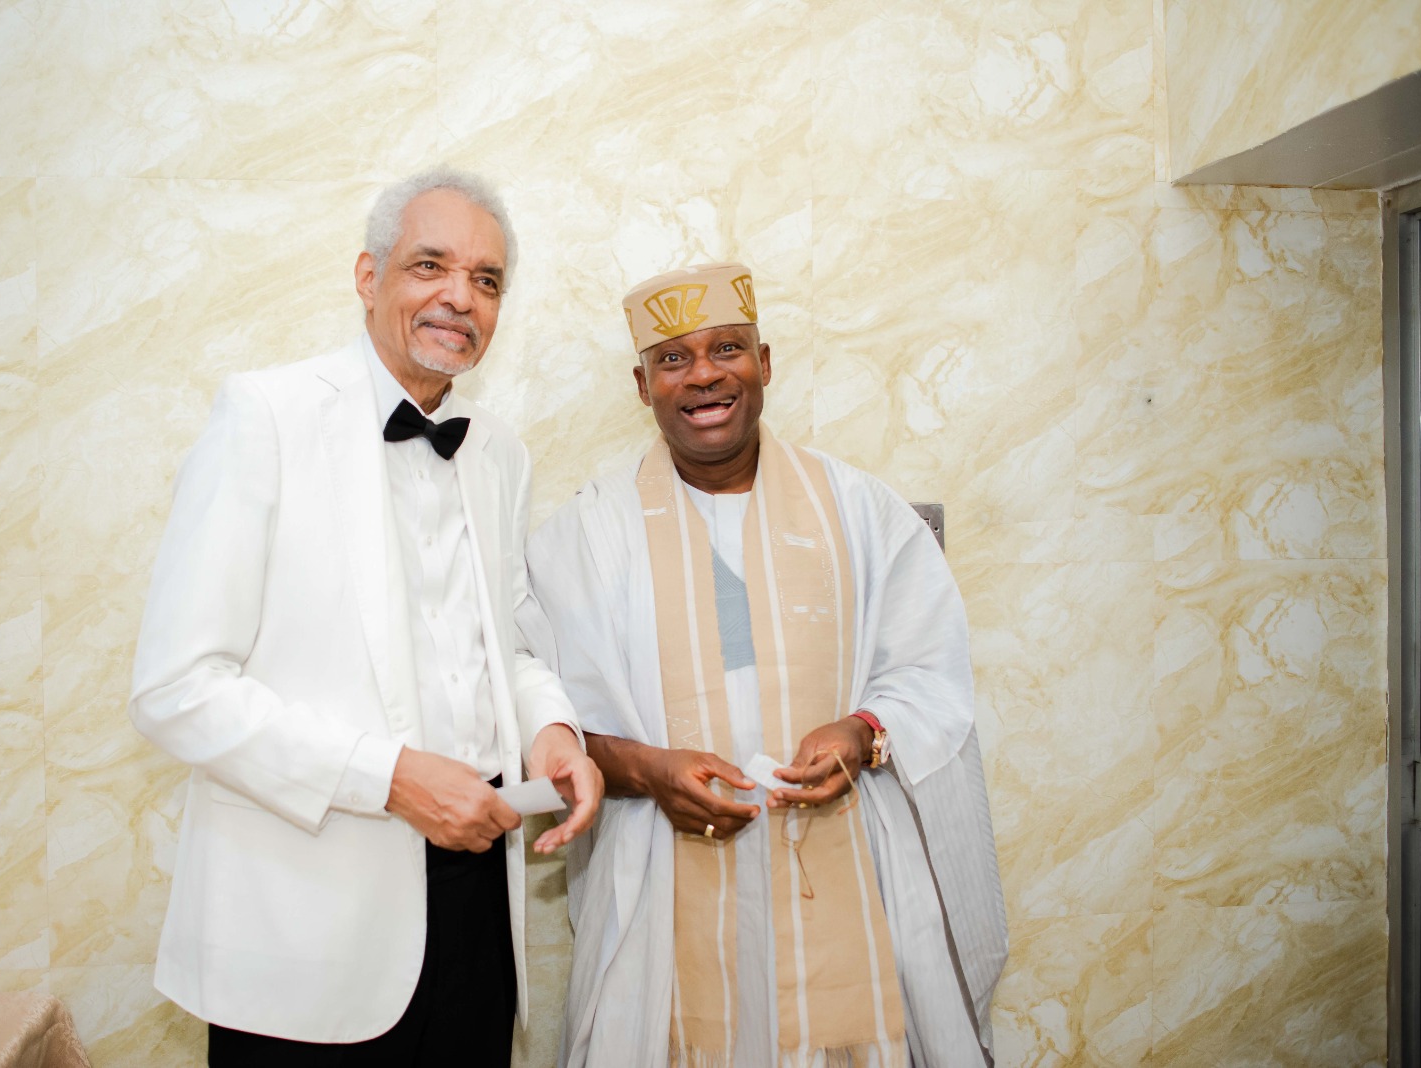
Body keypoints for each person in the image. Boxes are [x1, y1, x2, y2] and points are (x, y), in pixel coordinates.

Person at [128, 167, 602, 1067]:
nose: (459, 297)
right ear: (367, 276)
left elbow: (506, 640)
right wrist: (389, 778)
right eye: (430, 265)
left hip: (478, 909)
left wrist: (552, 731)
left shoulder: (500, 452)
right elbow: (176, 689)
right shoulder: (265, 415)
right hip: (303, 934)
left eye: (487, 279)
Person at [524, 263, 1007, 1067]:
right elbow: (544, 719)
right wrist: (646, 770)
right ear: (642, 386)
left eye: (727, 349)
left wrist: (863, 732)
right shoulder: (586, 537)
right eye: (672, 358)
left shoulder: (860, 510)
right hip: (661, 890)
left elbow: (930, 671)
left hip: (851, 875)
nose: (703, 374)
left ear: (765, 363)